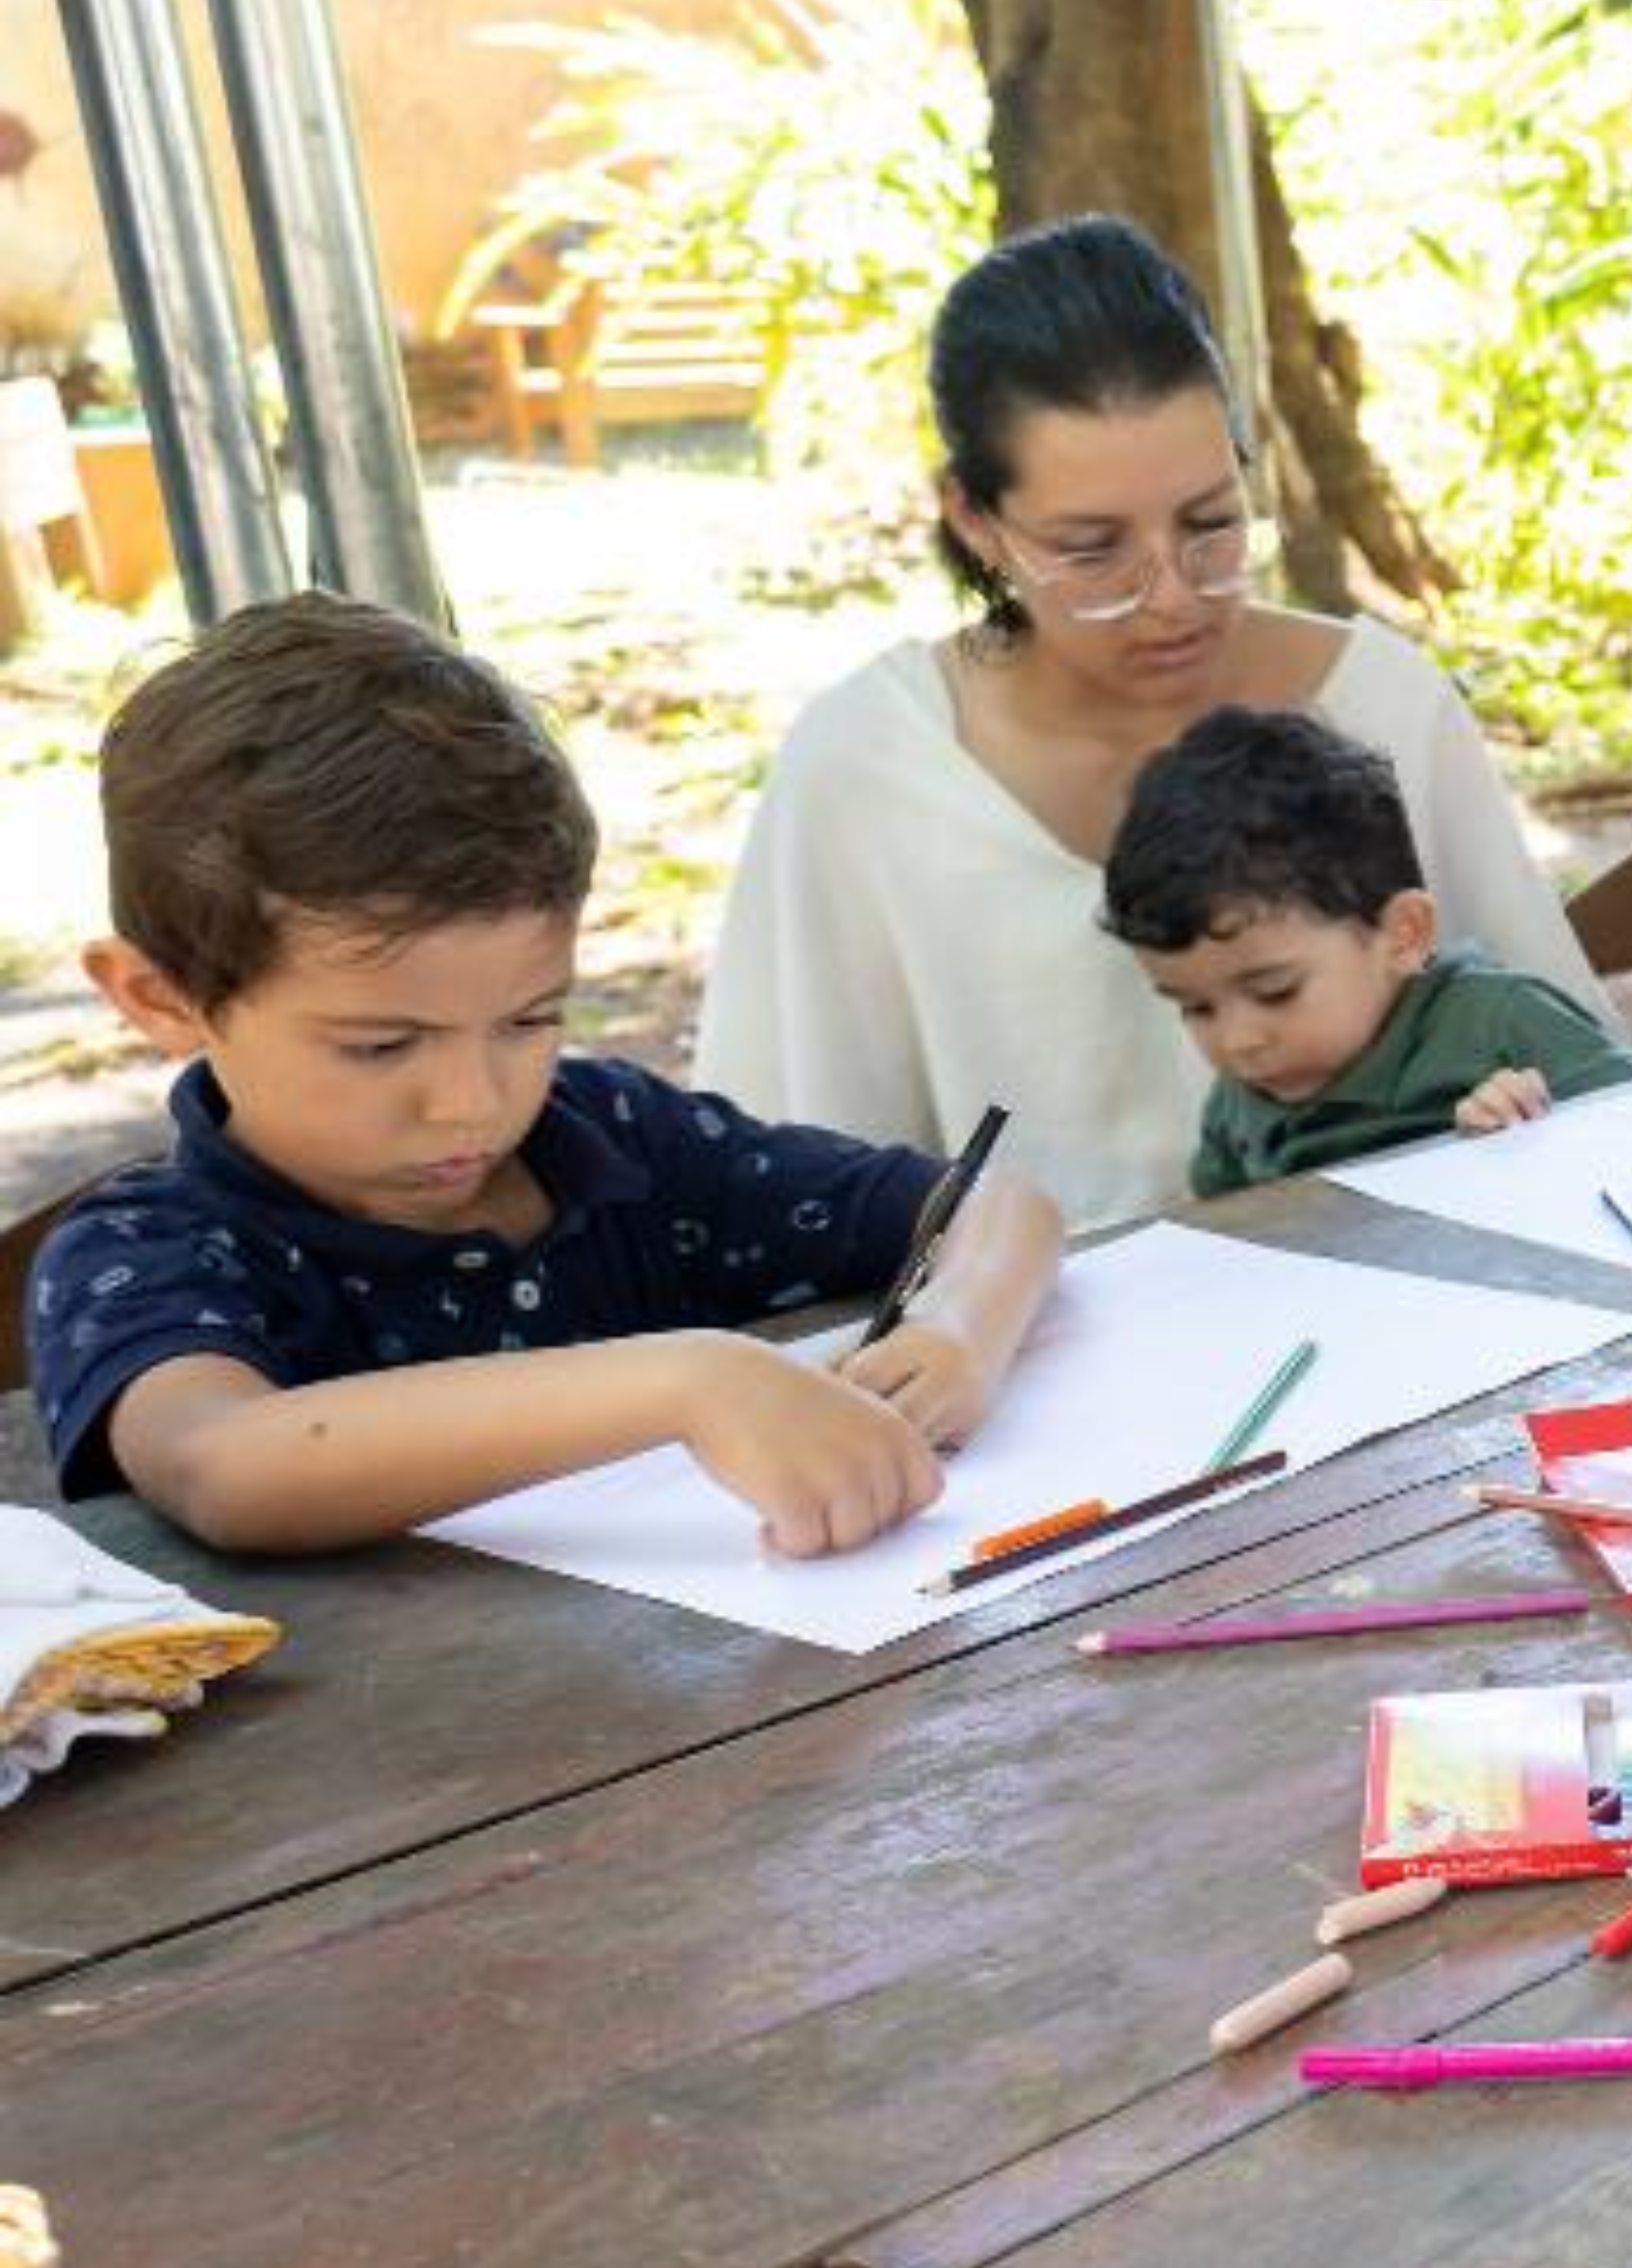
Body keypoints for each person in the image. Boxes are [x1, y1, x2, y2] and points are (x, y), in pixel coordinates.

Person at [28, 597, 1061, 1557]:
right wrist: (686, 1379)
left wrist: (960, 1327)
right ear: (161, 999)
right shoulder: (144, 1249)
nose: (475, 1102)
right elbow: (226, 1463)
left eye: (528, 1019)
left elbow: (990, 1203)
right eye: (382, 1046)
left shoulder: (618, 1139)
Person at [693, 215, 1609, 1228]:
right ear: (975, 521)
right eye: (1092, 551)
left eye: (1212, 524)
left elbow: (1583, 1093)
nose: (1172, 596)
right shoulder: (870, 767)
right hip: (1019, 1335)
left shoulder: (1382, 703)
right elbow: (789, 1180)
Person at [1100, 707, 1632, 1197]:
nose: (1239, 1042)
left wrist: (1542, 1131)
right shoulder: (1240, 1101)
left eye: (1276, 991)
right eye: (1196, 1008)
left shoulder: (1499, 1023)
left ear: (1403, 935)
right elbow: (1222, 1228)